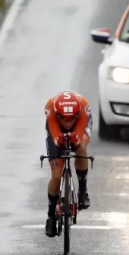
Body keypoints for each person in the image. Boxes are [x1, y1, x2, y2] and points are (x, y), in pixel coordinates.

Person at [43, 90, 93, 237]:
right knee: (57, 175)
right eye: (64, 118)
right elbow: (54, 137)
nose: (67, 122)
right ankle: (51, 215)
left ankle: (82, 190)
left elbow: (78, 136)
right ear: (57, 114)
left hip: (81, 124)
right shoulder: (50, 107)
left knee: (81, 148)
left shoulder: (84, 106)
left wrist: (75, 139)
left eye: (71, 118)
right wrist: (59, 139)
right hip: (55, 128)